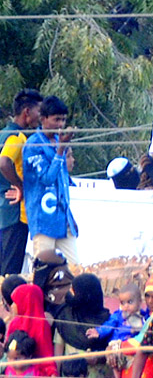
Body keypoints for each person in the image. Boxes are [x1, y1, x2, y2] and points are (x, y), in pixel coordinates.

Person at [22, 96, 79, 264]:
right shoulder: (33, 146)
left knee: (74, 268)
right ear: (43, 119)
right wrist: (61, 150)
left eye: (63, 120)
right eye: (56, 120)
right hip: (43, 220)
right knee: (43, 269)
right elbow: (47, 179)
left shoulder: (57, 141)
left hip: (63, 220)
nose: (60, 125)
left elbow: (62, 183)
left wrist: (69, 216)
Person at [0, 89, 41, 276]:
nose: (40, 117)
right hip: (13, 212)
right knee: (9, 273)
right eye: (39, 112)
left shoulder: (3, 133)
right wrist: (20, 186)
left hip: (3, 210)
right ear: (27, 112)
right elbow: (4, 162)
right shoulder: (17, 136)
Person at [5, 282, 56, 378]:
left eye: (16, 301)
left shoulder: (41, 325)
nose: (13, 305)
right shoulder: (14, 323)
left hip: (35, 375)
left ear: (26, 302)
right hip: (12, 372)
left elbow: (47, 357)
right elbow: (9, 350)